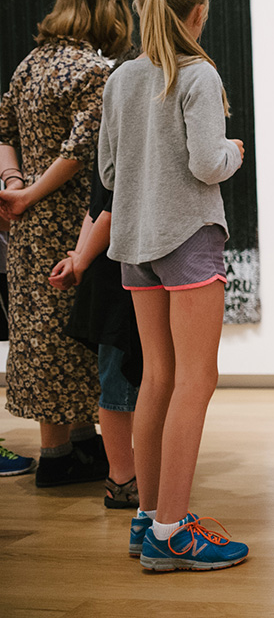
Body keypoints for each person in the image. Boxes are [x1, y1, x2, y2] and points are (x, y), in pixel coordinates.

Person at [98, 0, 248, 570]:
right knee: (196, 379)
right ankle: (172, 532)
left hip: (135, 244)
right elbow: (207, 163)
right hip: (187, 238)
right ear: (198, 14)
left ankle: (149, 516)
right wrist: (233, 151)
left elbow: (110, 173)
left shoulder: (120, 79)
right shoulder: (197, 74)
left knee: (157, 376)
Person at [0, 0, 132, 484]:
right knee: (74, 333)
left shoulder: (29, 65)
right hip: (72, 221)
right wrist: (32, 192)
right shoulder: (94, 71)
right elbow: (80, 151)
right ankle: (59, 456)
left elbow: (3, 130)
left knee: (40, 332)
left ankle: (76, 443)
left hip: (25, 223)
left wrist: (15, 185)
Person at [51, 141, 143, 509]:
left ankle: (127, 476)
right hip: (117, 277)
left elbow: (96, 211)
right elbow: (107, 212)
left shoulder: (113, 139)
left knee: (120, 381)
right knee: (119, 385)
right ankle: (122, 479)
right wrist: (81, 259)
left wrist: (79, 257)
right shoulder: (125, 140)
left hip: (111, 273)